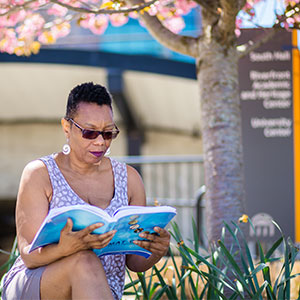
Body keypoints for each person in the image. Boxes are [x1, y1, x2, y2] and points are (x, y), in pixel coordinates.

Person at [1, 82, 170, 300]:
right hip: (37, 282)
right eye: (90, 133)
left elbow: (134, 263)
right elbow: (29, 256)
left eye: (108, 133)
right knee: (85, 260)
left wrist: (155, 250)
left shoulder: (130, 180)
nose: (100, 142)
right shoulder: (39, 174)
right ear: (66, 128)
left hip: (101, 290)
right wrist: (68, 247)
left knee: (86, 264)